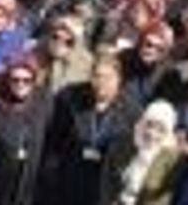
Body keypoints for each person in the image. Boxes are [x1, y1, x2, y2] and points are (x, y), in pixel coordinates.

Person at [41, 53, 141, 205]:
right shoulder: (74, 101)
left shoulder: (131, 111)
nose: (101, 82)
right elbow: (56, 140)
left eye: (108, 77)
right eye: (97, 76)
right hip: (71, 180)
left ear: (118, 79)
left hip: (105, 185)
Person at [0, 58, 54, 205]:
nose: (21, 84)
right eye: (15, 80)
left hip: (30, 178)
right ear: (7, 80)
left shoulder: (44, 102)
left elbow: (51, 135)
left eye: (27, 80)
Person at [112, 100, 180, 205]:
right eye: (149, 125)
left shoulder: (171, 159)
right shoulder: (129, 146)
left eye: (160, 130)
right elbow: (111, 181)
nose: (152, 133)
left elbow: (165, 197)